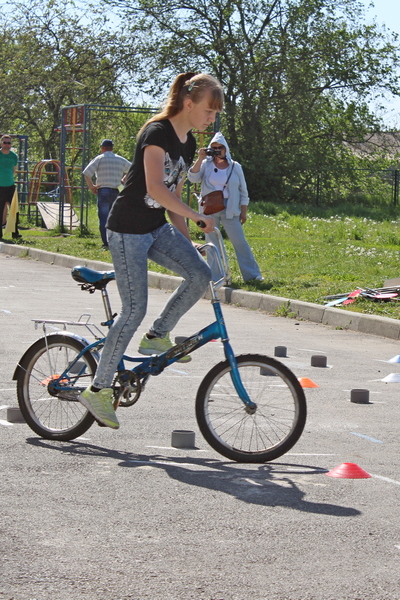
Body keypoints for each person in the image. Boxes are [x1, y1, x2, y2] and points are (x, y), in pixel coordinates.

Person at [79, 72, 222, 429]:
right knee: (134, 308)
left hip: (155, 227)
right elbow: (157, 187)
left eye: (216, 113)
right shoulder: (155, 133)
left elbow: (173, 199)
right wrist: (198, 215)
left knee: (199, 274)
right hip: (127, 229)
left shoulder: (187, 142)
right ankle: (97, 390)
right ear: (188, 104)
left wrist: (187, 238)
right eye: (209, 110)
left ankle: (157, 336)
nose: (212, 118)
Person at [188, 131, 263, 282]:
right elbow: (193, 177)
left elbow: (243, 191)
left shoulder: (235, 167)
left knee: (239, 241)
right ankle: (215, 277)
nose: (216, 150)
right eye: (213, 147)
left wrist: (243, 211)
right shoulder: (205, 164)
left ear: (225, 149)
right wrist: (200, 158)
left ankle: (252, 276)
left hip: (230, 208)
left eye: (219, 147)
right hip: (209, 208)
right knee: (212, 243)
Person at [83, 139, 132, 248]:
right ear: (112, 148)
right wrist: (123, 179)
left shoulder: (99, 159)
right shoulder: (120, 159)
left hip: (103, 190)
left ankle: (106, 242)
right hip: (116, 191)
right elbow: (132, 169)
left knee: (104, 217)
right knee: (114, 218)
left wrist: (92, 187)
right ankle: (115, 241)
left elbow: (86, 173)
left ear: (102, 148)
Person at [0, 135, 21, 241]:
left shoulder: (13, 156)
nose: (7, 145)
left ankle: (15, 233)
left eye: (9, 143)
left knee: (14, 210)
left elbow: (14, 169)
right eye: (5, 143)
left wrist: (9, 178)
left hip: (10, 186)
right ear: (1, 143)